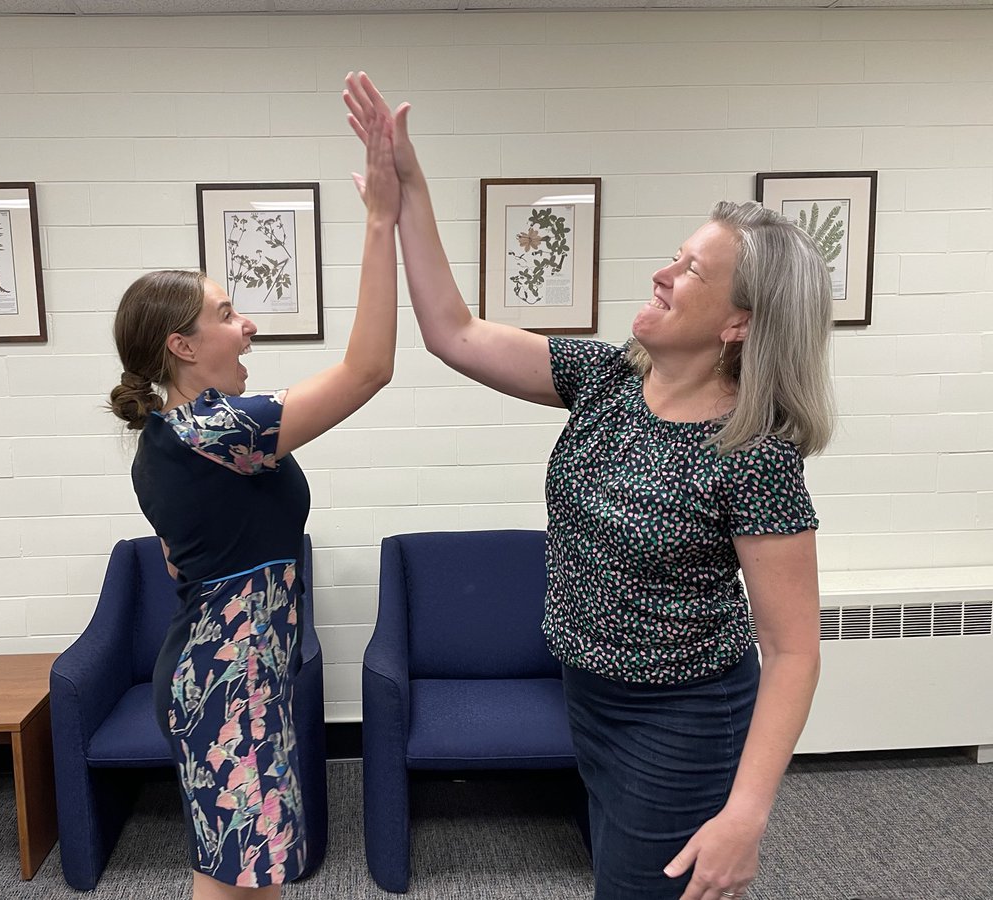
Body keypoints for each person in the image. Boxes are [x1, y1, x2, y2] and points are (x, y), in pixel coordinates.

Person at [343, 74, 834, 900]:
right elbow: (452, 334)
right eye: (676, 254)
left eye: (691, 270)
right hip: (588, 694)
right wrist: (408, 190)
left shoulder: (753, 451)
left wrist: (746, 815)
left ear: (738, 321)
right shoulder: (608, 378)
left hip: (681, 718)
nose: (663, 273)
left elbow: (794, 650)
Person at [107, 76, 398, 900]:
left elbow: (179, 566)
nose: (250, 325)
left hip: (230, 673)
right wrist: (381, 220)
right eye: (229, 313)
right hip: (227, 683)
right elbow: (369, 368)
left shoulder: (167, 440)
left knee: (244, 875)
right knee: (242, 877)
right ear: (182, 346)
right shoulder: (214, 430)